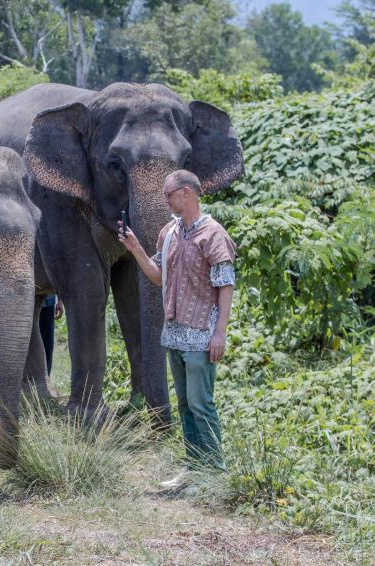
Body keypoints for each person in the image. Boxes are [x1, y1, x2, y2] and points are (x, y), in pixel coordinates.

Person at [117, 169, 236, 489]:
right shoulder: (168, 233)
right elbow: (157, 276)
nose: (166, 199)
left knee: (201, 403)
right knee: (184, 404)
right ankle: (194, 468)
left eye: (169, 194)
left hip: (201, 334)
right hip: (174, 333)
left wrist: (220, 333)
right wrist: (135, 249)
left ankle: (214, 471)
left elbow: (226, 285)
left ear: (187, 193)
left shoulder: (213, 234)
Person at [38, 295, 64, 375]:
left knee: (48, 344)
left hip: (49, 303)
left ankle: (46, 377)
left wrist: (60, 301)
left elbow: (60, 281)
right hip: (30, 303)